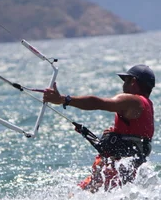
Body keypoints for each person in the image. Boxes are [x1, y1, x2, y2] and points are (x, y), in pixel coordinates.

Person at [43, 64, 155, 192]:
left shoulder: (132, 101)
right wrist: (116, 135)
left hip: (113, 171)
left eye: (125, 80)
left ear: (133, 81)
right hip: (126, 173)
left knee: (78, 197)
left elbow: (97, 103)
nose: (123, 85)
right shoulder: (147, 106)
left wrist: (64, 99)